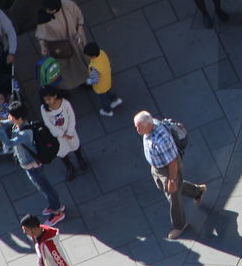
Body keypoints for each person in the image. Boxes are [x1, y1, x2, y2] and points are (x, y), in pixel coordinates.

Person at [133, 111, 206, 240]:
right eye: (136, 126)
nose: (137, 130)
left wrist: (172, 179)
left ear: (149, 125)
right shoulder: (151, 124)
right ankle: (197, 191)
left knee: (173, 195)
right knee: (172, 188)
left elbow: (172, 163)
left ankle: (180, 224)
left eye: (139, 127)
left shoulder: (162, 139)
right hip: (158, 166)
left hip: (168, 168)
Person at [0, 102, 66, 224]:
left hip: (33, 167)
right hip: (31, 165)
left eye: (10, 116)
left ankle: (57, 211)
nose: (8, 118)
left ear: (19, 118)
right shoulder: (20, 124)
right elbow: (6, 123)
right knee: (44, 187)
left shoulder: (24, 133)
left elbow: (8, 143)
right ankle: (55, 205)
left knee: (45, 189)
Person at [35, 0, 89, 88]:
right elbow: (41, 34)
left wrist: (80, 28)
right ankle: (77, 82)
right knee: (68, 67)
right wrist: (42, 45)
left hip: (75, 41)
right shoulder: (43, 17)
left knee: (82, 59)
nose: (48, 11)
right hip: (60, 47)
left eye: (50, 10)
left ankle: (86, 79)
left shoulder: (67, 4)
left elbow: (78, 15)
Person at [40, 86, 90, 180]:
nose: (48, 102)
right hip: (57, 136)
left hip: (69, 132)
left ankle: (80, 159)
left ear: (54, 96)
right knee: (61, 152)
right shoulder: (44, 108)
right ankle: (69, 166)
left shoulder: (65, 103)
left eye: (49, 99)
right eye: (45, 100)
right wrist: (61, 134)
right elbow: (48, 124)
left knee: (75, 145)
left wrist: (69, 132)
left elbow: (72, 117)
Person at [84, 42, 123, 118]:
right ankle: (116, 100)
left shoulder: (93, 67)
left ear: (92, 56)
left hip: (101, 86)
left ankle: (107, 111)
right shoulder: (102, 53)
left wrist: (89, 81)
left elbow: (95, 80)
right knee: (109, 92)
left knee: (103, 99)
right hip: (107, 79)